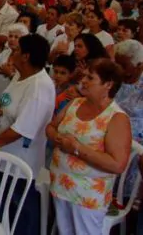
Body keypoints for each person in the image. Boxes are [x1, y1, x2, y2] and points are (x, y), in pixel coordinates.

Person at [47, 59, 131, 235]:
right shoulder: (75, 103)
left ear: (108, 84)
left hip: (87, 195)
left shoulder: (116, 118)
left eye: (90, 77)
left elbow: (117, 164)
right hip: (61, 186)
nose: (83, 80)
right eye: (84, 75)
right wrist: (58, 138)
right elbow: (51, 127)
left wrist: (76, 148)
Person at [0, 34, 56, 235]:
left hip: (20, 160)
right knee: (1, 208)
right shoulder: (20, 76)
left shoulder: (40, 87)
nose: (13, 52)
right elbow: (6, 99)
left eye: (17, 49)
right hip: (3, 154)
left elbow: (21, 130)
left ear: (26, 56)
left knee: (17, 211)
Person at [114, 40, 143, 198]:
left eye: (124, 65)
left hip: (136, 147)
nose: (119, 69)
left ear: (140, 65)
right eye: (117, 63)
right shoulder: (114, 79)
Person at [0, 23, 29, 98]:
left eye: (16, 37)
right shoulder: (5, 53)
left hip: (14, 96)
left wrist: (9, 73)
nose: (12, 39)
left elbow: (25, 81)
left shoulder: (25, 57)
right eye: (10, 36)